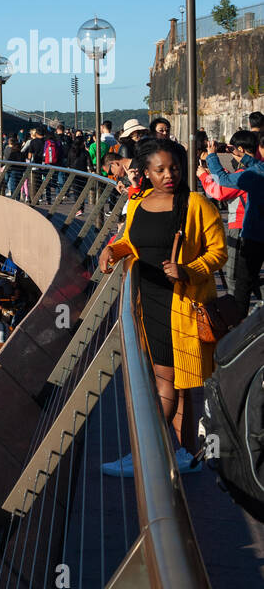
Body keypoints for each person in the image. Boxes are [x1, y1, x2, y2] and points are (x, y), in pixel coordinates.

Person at [98, 137, 227, 475]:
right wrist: (113, 250)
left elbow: (218, 252)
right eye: (160, 170)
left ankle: (145, 456)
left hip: (183, 304)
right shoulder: (140, 203)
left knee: (166, 379)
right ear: (146, 173)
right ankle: (184, 453)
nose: (169, 175)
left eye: (174, 168)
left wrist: (187, 270)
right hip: (149, 301)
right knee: (179, 385)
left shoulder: (196, 204)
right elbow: (131, 240)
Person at [204, 131, 264, 312]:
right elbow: (257, 166)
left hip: (254, 235)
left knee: (242, 284)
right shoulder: (258, 169)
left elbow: (222, 181)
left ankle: (239, 325)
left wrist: (212, 157)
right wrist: (241, 156)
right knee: (251, 278)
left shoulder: (253, 174)